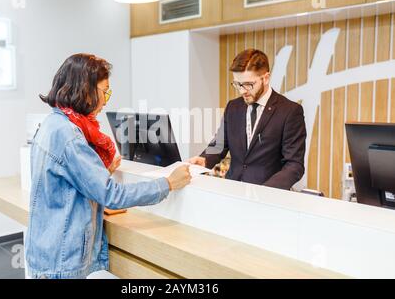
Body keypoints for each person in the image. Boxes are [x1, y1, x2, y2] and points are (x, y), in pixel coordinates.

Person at [25, 53, 191, 279]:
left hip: (49, 252)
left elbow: (66, 186)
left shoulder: (52, 124)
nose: (106, 101)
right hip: (63, 260)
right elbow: (113, 195)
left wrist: (100, 175)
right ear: (86, 90)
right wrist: (168, 183)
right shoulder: (70, 136)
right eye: (105, 92)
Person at [189, 49, 306, 190]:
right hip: (233, 192)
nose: (242, 91)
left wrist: (266, 191)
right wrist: (204, 160)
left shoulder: (290, 111)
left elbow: (294, 165)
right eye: (238, 84)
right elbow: (219, 144)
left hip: (268, 197)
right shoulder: (233, 107)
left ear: (266, 78)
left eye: (249, 84)